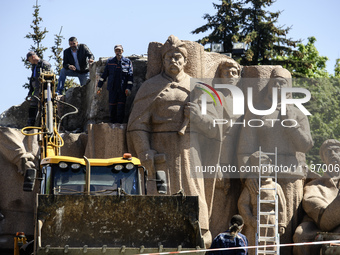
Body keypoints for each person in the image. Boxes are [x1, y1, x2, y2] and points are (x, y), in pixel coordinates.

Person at [127, 35, 221, 247]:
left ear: (185, 61)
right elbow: (137, 124)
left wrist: (199, 117)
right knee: (159, 204)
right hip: (160, 153)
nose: (174, 61)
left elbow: (217, 129)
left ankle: (198, 237)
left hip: (190, 153)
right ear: (162, 60)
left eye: (178, 57)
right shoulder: (151, 86)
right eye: (169, 57)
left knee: (195, 205)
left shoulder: (200, 88)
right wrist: (144, 151)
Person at [293, 139, 340, 255]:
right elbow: (325, 222)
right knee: (301, 235)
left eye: (337, 150)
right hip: (318, 229)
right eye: (328, 152)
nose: (333, 154)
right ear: (323, 159)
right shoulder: (313, 186)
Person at [238, 152, 286, 255]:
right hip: (256, 221)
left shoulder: (276, 186)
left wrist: (281, 223)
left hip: (272, 222)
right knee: (253, 247)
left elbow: (282, 206)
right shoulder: (251, 186)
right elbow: (242, 204)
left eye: (265, 165)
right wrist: (250, 219)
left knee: (271, 247)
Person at [97, 45, 133, 123]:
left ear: (122, 51)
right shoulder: (110, 62)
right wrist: (99, 86)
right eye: (116, 50)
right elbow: (104, 75)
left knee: (121, 107)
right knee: (112, 107)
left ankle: (120, 124)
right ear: (114, 52)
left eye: (119, 50)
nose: (118, 52)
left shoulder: (127, 62)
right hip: (112, 88)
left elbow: (130, 76)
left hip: (122, 89)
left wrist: (129, 88)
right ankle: (112, 125)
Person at [26, 51, 51, 126]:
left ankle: (43, 124)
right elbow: (32, 79)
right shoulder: (34, 66)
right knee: (33, 105)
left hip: (44, 89)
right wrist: (30, 93)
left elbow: (48, 77)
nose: (29, 62)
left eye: (29, 60)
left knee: (43, 106)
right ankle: (31, 123)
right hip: (36, 90)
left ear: (32, 57)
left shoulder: (44, 64)